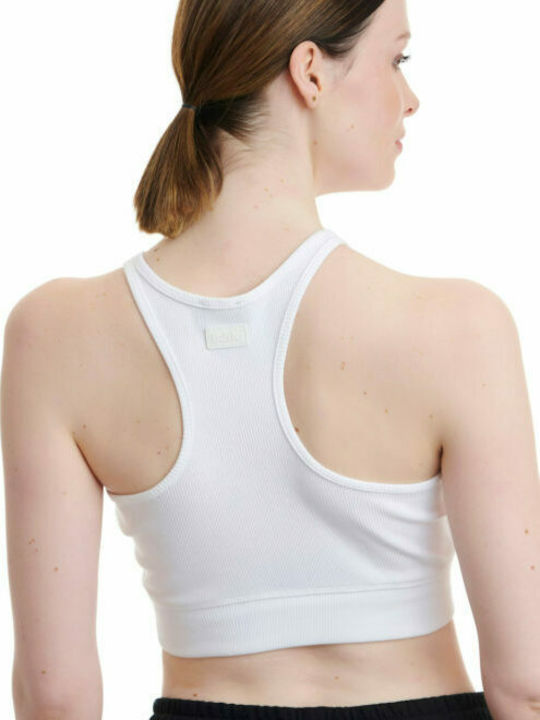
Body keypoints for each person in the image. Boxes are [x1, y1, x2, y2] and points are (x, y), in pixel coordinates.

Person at [2, 0, 539, 718]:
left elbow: (55, 697)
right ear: (310, 71)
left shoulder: (54, 334)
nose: (411, 98)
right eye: (397, 59)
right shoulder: (459, 328)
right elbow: (528, 684)